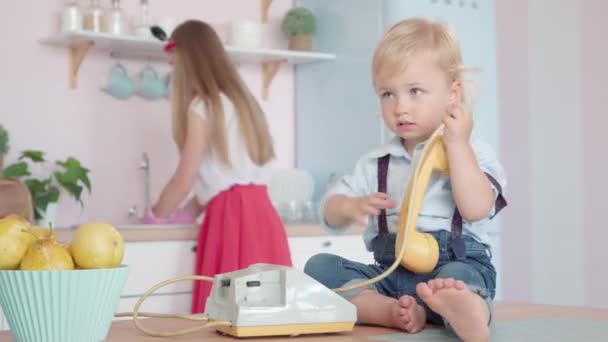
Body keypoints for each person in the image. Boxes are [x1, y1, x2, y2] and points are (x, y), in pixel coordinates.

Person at [303, 18, 507, 342]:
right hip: (390, 275)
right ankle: (387, 310)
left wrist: (456, 145)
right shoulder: (376, 162)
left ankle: (466, 311)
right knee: (318, 267)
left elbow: (477, 208)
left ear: (453, 94)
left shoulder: (473, 151)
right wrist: (350, 206)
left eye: (415, 91)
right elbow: (330, 212)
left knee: (463, 280)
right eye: (387, 94)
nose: (400, 108)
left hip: (452, 268)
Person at [143, 20, 292, 313]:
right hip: (263, 215)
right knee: (266, 314)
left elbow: (184, 180)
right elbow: (220, 181)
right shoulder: (243, 103)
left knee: (226, 315)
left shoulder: (203, 107)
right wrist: (186, 213)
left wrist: (155, 217)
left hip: (231, 219)